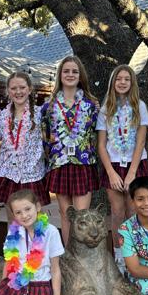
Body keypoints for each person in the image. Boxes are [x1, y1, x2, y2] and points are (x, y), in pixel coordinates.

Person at [97, 64, 148, 272]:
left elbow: (141, 142)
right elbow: (101, 144)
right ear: (113, 82)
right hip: (113, 165)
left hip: (134, 164)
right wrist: (111, 173)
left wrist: (131, 174)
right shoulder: (106, 109)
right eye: (118, 79)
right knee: (117, 211)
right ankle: (119, 257)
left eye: (126, 79)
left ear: (132, 83)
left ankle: (136, 255)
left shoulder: (140, 106)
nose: (122, 82)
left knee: (133, 210)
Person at [42, 55, 99, 245]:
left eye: (75, 71)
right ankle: (68, 255)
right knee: (65, 214)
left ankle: (82, 256)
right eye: (66, 71)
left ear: (80, 76)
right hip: (59, 164)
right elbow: (44, 137)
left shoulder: (91, 106)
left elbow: (97, 136)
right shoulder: (48, 107)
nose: (70, 74)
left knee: (81, 216)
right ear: (60, 75)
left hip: (82, 163)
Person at [0, 71, 50, 214]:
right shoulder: (2, 116)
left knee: (36, 217)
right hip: (8, 173)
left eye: (22, 87)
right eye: (13, 88)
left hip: (32, 173)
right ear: (8, 91)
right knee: (13, 218)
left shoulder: (40, 113)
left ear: (30, 89)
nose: (18, 92)